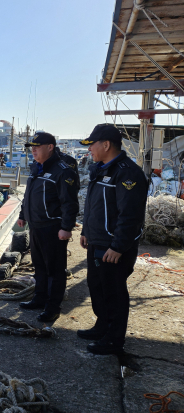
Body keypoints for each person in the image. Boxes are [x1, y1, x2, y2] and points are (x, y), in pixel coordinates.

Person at [79, 124, 148, 355]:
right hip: (97, 242)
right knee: (96, 287)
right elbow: (94, 205)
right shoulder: (100, 169)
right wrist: (86, 231)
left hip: (114, 247)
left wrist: (118, 247)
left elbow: (130, 215)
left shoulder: (127, 173)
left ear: (106, 144)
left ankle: (114, 339)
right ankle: (102, 326)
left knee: (114, 292)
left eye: (92, 145)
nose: (89, 150)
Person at [17, 132, 79, 322]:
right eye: (31, 147)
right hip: (36, 226)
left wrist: (66, 227)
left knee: (55, 270)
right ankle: (39, 298)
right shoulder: (38, 166)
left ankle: (52, 307)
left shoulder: (63, 170)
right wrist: (23, 215)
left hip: (53, 227)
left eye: (37, 146)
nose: (33, 150)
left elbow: (69, 202)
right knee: (40, 267)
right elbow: (29, 194)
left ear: (50, 147)